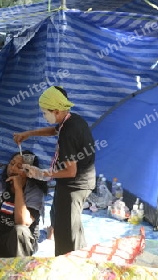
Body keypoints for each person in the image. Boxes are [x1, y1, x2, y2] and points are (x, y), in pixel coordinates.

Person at [13, 86, 96, 256]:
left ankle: (69, 261)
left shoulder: (68, 133)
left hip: (75, 185)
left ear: (56, 111)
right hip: (75, 183)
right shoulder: (72, 120)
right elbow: (54, 130)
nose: (44, 116)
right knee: (67, 223)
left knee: (68, 231)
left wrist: (42, 173)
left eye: (45, 113)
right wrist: (29, 133)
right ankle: (76, 255)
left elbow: (70, 171)